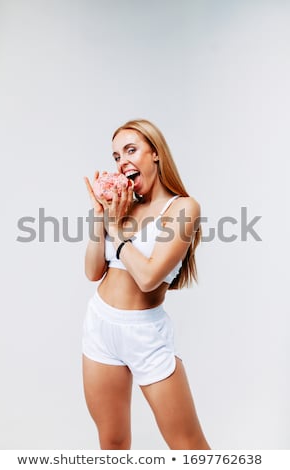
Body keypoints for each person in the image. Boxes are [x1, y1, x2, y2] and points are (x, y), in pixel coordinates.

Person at [83, 119, 210, 450]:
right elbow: (93, 271)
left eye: (131, 150)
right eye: (115, 156)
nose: (121, 161)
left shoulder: (183, 207)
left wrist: (118, 229)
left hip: (145, 334)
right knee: (112, 442)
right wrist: (101, 217)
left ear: (155, 154)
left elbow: (150, 276)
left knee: (188, 445)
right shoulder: (122, 208)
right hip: (99, 326)